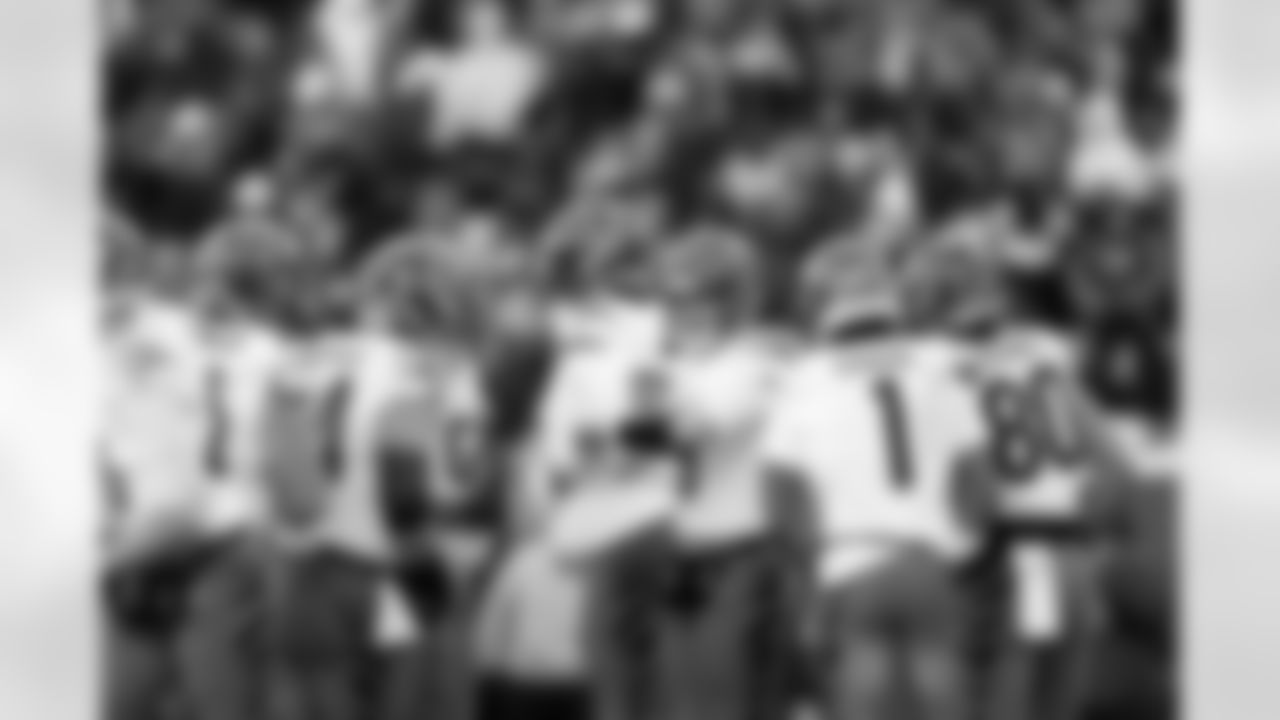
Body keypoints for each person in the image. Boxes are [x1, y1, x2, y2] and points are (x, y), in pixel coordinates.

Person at [759, 243, 985, 720]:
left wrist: (810, 560)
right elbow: (976, 478)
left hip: (851, 555)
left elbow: (778, 496)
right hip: (927, 553)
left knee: (863, 674)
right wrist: (961, 546)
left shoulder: (805, 378)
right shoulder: (940, 367)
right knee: (939, 672)